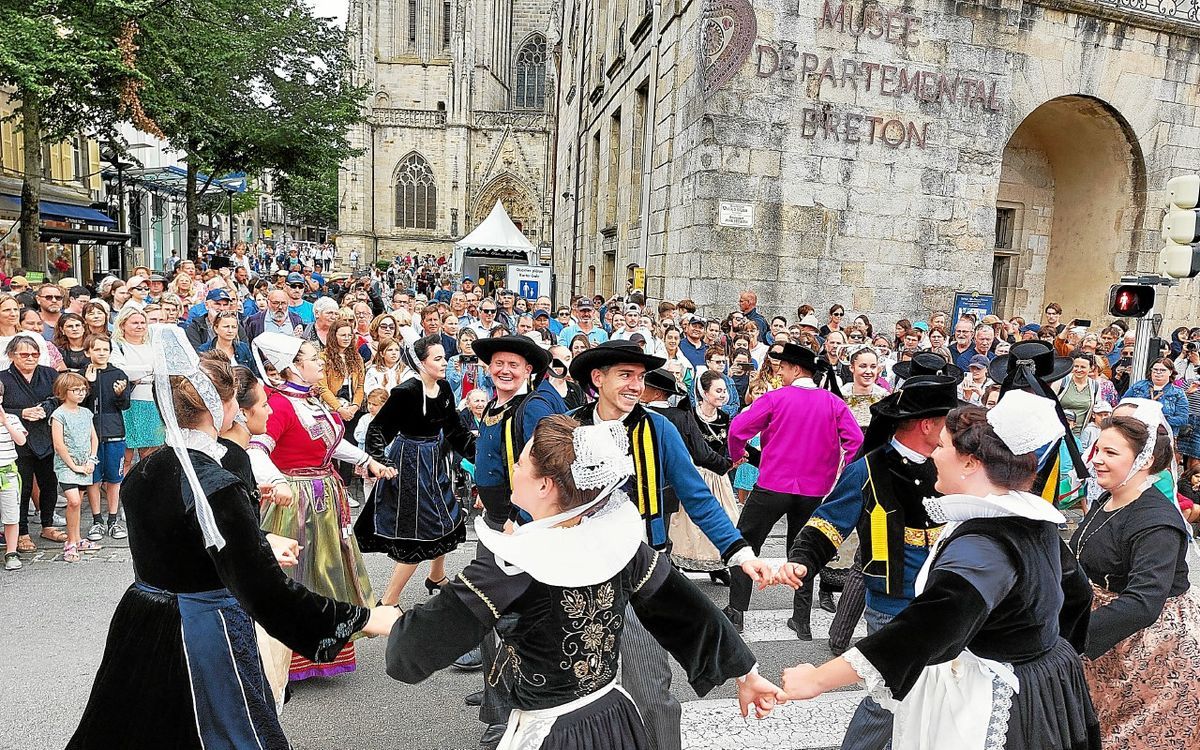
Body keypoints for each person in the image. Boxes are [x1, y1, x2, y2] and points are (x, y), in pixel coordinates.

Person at [68, 329, 399, 749]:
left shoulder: (145, 471)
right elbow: (264, 590)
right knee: (227, 732)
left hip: (142, 621)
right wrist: (364, 618)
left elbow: (186, 542)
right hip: (204, 631)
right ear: (220, 406)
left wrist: (260, 540)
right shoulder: (215, 483)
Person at [384, 415, 787, 749]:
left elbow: (408, 654)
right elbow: (687, 611)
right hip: (614, 717)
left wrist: (381, 618)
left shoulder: (510, 566)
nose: (515, 469)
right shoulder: (618, 542)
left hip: (550, 733)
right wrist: (747, 674)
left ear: (545, 485)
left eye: (522, 462)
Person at [779, 391, 1099, 750]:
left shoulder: (983, 544)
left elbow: (927, 628)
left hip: (995, 692)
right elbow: (1076, 593)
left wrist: (819, 678)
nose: (933, 456)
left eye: (943, 447)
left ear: (970, 464)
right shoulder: (1030, 517)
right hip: (1042, 681)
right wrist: (1044, 654)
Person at [569, 340, 773, 750]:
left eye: (640, 378)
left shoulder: (658, 428)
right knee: (577, 694)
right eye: (625, 375)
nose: (634, 386)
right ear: (598, 378)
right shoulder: (568, 427)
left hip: (641, 573)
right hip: (578, 574)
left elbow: (697, 496)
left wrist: (739, 550)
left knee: (652, 695)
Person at [249, 333, 396, 682]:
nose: (320, 362)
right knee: (294, 575)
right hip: (295, 502)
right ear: (295, 367)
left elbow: (332, 443)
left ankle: (320, 649)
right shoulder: (281, 405)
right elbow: (256, 449)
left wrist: (366, 460)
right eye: (313, 358)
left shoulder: (311, 401)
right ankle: (285, 655)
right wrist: (277, 482)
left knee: (326, 573)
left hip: (323, 497)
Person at [1069, 401, 1200, 749]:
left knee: (1127, 736)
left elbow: (1143, 603)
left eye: (1110, 452)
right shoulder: (1109, 499)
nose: (1097, 458)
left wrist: (1071, 634)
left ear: (1143, 461)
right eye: (1098, 449)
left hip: (1149, 645)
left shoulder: (1157, 521)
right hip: (1105, 631)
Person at [725, 342, 862, 640]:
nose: (781, 373)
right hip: (814, 489)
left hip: (773, 485)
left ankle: (736, 612)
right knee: (803, 551)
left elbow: (737, 429)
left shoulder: (776, 398)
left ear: (795, 369)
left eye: (784, 368)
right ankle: (801, 620)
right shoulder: (833, 403)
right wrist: (844, 476)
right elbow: (856, 441)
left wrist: (736, 455)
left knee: (745, 543)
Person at [357, 335, 477, 605]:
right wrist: (381, 462)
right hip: (409, 462)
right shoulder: (406, 392)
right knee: (418, 531)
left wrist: (479, 453)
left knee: (447, 518)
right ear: (421, 363)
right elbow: (378, 428)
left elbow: (455, 430)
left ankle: (437, 576)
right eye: (437, 358)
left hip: (434, 459)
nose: (445, 362)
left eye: (444, 357)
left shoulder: (444, 388)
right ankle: (388, 601)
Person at [668, 369, 740, 583]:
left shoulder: (725, 417)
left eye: (724, 390)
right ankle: (678, 564)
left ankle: (717, 566)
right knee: (687, 525)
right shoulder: (688, 415)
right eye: (718, 390)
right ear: (704, 392)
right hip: (694, 474)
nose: (722, 394)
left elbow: (731, 447)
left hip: (718, 476)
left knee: (725, 520)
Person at [1, 334, 66, 551]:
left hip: (46, 435)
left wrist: (46, 408)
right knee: (23, 486)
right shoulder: (3, 378)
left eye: (35, 354)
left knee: (49, 483)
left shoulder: (49, 373)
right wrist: (21, 412)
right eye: (24, 354)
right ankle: (22, 532)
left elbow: (60, 397)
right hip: (16, 440)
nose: (30, 357)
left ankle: (47, 525)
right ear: (12, 355)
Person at [81, 334, 131, 542]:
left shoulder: (118, 373)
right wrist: (89, 385)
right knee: (93, 479)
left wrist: (120, 394)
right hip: (89, 434)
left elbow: (125, 405)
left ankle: (113, 518)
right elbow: (80, 404)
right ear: (88, 352)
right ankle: (96, 520)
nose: (101, 353)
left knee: (114, 479)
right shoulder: (82, 374)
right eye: (97, 349)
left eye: (105, 350)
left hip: (114, 432)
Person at [51, 371, 99, 563]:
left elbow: (93, 437)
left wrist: (91, 460)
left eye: (83, 390)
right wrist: (74, 466)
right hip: (66, 465)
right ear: (63, 391)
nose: (80, 393)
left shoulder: (86, 413)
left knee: (77, 502)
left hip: (85, 464)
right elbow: (58, 444)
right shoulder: (59, 414)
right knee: (74, 501)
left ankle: (77, 538)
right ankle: (70, 542)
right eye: (75, 390)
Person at [110, 307, 165, 473]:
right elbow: (121, 371)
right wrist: (148, 369)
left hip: (152, 402)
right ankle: (121, 491)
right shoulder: (117, 346)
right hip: (128, 402)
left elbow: (161, 369)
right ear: (123, 325)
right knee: (125, 454)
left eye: (142, 322)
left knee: (150, 454)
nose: (140, 326)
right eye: (135, 322)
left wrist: (138, 372)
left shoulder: (153, 345)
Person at [1123, 357, 1190, 436]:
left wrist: (1161, 419)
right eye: (1155, 370)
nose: (1158, 373)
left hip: (1163, 436)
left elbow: (1183, 419)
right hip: (1136, 432)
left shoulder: (1178, 392)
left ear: (1170, 372)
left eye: (1163, 370)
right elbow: (1123, 404)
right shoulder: (1138, 386)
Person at [0, 385, 27, 570]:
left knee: (11, 515)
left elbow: (21, 440)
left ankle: (11, 551)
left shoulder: (12, 419)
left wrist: (5, 422)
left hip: (7, 471)